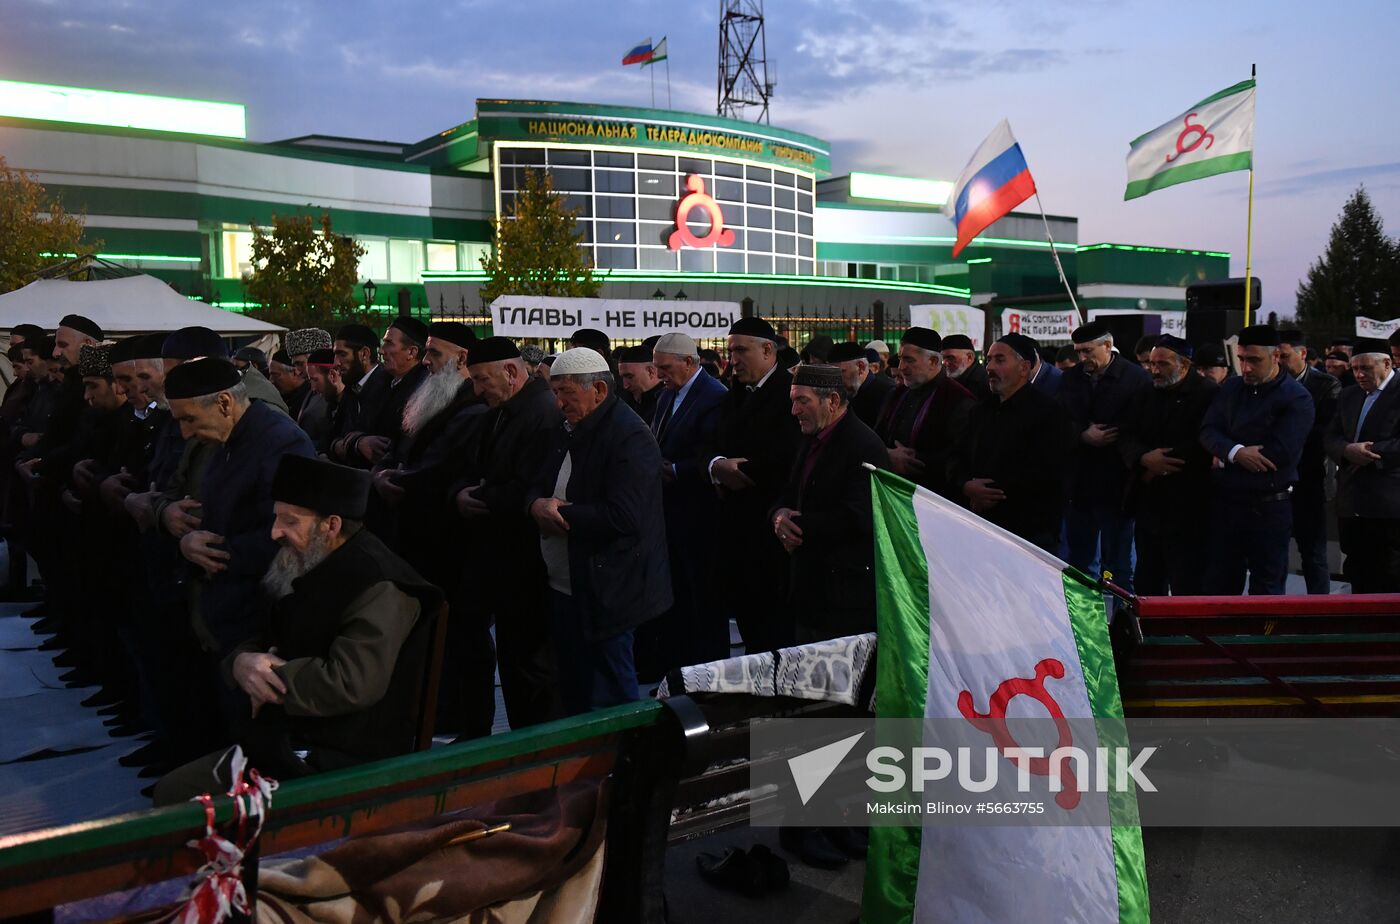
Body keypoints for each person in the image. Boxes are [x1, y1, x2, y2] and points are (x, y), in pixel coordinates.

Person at [153, 454, 441, 804]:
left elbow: (351, 682)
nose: (275, 532)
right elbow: (267, 637)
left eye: (289, 521)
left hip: (341, 759)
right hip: (289, 740)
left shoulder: (378, 584)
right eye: (276, 517)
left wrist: (269, 677)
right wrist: (241, 664)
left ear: (331, 525)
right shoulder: (308, 560)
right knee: (172, 792)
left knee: (175, 798)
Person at [527, 348, 670, 715]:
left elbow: (625, 517)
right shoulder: (569, 427)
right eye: (554, 393)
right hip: (567, 583)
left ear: (599, 392)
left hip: (609, 588)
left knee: (610, 693)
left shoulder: (629, 436)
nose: (558, 404)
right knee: (574, 686)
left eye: (566, 394)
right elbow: (536, 480)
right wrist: (535, 505)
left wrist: (562, 513)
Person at [165, 358, 315, 658]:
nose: (184, 433)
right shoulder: (229, 440)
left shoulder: (281, 442)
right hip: (228, 616)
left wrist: (209, 551)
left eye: (189, 419)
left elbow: (294, 536)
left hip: (258, 628)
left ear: (224, 403)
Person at [456, 337, 562, 732]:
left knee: (532, 668)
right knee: (515, 663)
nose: (477, 390)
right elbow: (473, 465)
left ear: (512, 373)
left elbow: (531, 485)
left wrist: (478, 496)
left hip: (527, 563)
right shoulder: (503, 409)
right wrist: (460, 493)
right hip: (501, 559)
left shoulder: (541, 412)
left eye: (483, 380)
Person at [771, 364, 889, 642]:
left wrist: (796, 526)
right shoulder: (809, 437)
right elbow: (788, 492)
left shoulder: (864, 445)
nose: (794, 410)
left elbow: (860, 515)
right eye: (793, 401)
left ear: (833, 401)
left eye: (803, 401)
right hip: (807, 590)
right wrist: (778, 516)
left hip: (842, 598)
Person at [708, 317, 803, 652]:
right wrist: (717, 465)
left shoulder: (790, 394)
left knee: (772, 632)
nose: (732, 358)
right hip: (735, 529)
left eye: (740, 350)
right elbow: (717, 442)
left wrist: (741, 470)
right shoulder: (734, 391)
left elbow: (789, 457)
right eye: (730, 349)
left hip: (770, 532)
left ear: (767, 350)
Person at [1199, 325, 1314, 595]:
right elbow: (1208, 431)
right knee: (1219, 585)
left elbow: (1278, 453)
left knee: (1267, 589)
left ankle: (1261, 638)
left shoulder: (1297, 397)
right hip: (1226, 504)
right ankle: (1220, 639)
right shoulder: (1232, 388)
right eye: (1241, 359)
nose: (1246, 368)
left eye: (1254, 360)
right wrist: (1236, 452)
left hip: (1269, 507)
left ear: (1275, 358)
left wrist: (1224, 454)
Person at [645, 332, 729, 674]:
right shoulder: (668, 395)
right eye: (656, 367)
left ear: (689, 363)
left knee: (703, 603)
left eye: (665, 367)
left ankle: (709, 678)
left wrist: (677, 470)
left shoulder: (715, 396)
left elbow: (713, 455)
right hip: (671, 516)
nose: (660, 374)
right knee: (678, 601)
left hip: (700, 517)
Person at [1118, 336, 1217, 595]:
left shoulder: (1207, 393)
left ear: (1184, 365)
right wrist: (1143, 459)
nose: (1154, 370)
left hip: (1189, 502)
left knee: (1187, 581)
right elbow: (1127, 435)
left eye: (1162, 364)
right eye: (1151, 364)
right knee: (1148, 580)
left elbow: (1205, 439)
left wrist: (1162, 462)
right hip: (1149, 500)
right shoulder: (1144, 392)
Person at [955, 334, 1073, 551]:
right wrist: (966, 485)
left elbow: (1049, 474)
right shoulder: (980, 410)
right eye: (988, 359)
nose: (989, 367)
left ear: (1024, 367)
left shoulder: (1048, 412)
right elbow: (959, 455)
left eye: (1000, 360)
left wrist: (991, 494)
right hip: (980, 523)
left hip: (1028, 532)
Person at [1058, 320, 1153, 590]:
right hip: (1080, 485)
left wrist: (1115, 435)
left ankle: (1124, 624)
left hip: (1118, 484)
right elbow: (1059, 420)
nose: (1082, 358)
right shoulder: (1071, 378)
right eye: (1079, 352)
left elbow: (1141, 423)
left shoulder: (1135, 379)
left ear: (1108, 346)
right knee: (1081, 564)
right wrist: (1083, 435)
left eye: (1088, 351)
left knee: (1120, 564)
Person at [1325, 341, 1400, 592]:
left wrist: (1369, 452)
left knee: (1389, 574)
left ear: (1387, 363)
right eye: (1355, 368)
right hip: (1351, 502)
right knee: (1357, 572)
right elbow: (1331, 436)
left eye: (1365, 368)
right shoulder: (1349, 394)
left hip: (1388, 505)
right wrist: (1346, 451)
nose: (1359, 375)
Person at [874, 327, 974, 498]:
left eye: (909, 360)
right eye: (900, 359)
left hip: (933, 498)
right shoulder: (897, 393)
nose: (901, 367)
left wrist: (914, 459)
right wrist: (887, 454)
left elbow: (959, 457)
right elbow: (876, 435)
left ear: (934, 361)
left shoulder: (959, 400)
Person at [1278, 330, 1341, 595]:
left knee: (1313, 554)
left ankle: (1321, 617)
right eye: (1276, 356)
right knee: (1274, 554)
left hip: (1310, 480)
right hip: (1275, 481)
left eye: (1285, 355)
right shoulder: (1268, 384)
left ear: (1302, 354)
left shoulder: (1326, 385)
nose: (1279, 361)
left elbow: (1323, 432)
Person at [828, 341, 895, 429]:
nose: (836, 380)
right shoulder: (841, 396)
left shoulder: (888, 395)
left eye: (841, 373)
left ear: (861, 367)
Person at [617, 344, 665, 423]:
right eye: (623, 377)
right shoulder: (625, 403)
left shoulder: (669, 404)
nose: (625, 385)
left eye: (630, 377)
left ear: (650, 371)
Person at [940, 334, 990, 401]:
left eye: (950, 358)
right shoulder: (945, 380)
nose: (945, 363)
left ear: (969, 357)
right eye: (943, 359)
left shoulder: (986, 384)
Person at [268, 350, 310, 420]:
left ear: (294, 373)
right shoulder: (283, 398)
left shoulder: (309, 402)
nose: (271, 381)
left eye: (275, 375)